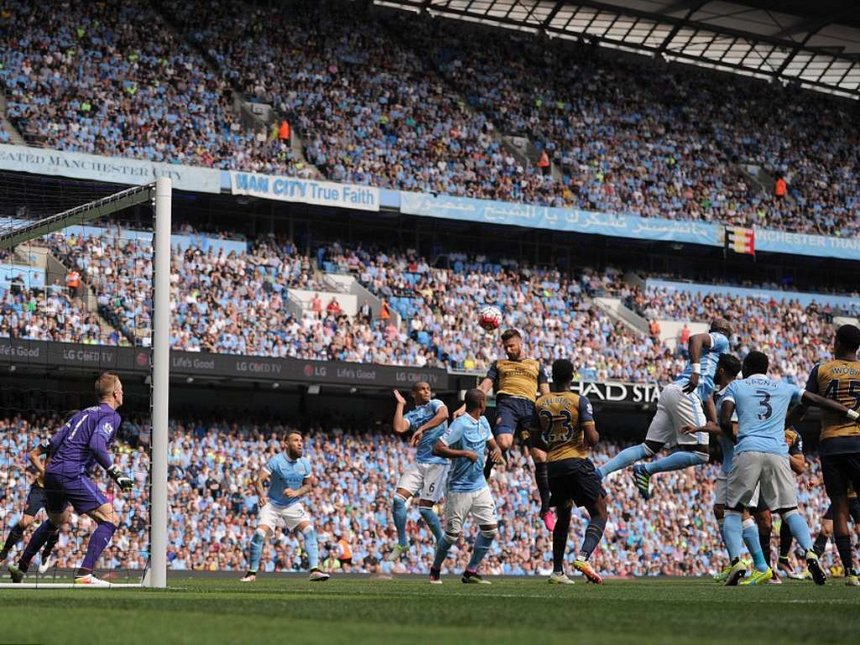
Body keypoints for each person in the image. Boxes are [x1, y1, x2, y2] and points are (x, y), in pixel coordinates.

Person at [718, 351, 859, 586]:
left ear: (745, 367)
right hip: (778, 452)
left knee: (733, 509)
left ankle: (736, 562)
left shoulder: (736, 387)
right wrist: (850, 412)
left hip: (748, 449)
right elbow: (816, 400)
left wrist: (742, 439)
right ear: (767, 367)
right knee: (789, 510)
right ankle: (810, 552)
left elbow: (724, 420)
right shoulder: (784, 387)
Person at [8, 373, 133, 586]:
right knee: (111, 519)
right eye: (121, 388)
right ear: (115, 393)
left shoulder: (81, 414)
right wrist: (115, 471)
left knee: (56, 521)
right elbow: (96, 444)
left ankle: (22, 565)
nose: (122, 392)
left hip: (53, 473)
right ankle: (85, 574)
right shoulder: (111, 416)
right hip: (71, 472)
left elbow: (54, 442)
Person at [599, 318, 733, 499]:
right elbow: (694, 338)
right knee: (701, 454)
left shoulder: (709, 361)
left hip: (672, 391)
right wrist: (695, 371)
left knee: (648, 447)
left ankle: (599, 473)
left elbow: (707, 396)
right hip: (686, 392)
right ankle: (646, 470)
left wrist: (714, 424)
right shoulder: (721, 340)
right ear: (723, 331)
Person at [683, 354, 770, 584]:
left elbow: (735, 429)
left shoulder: (737, 392)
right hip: (730, 462)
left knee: (738, 512)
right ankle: (736, 563)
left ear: (720, 370)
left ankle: (761, 566)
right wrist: (701, 425)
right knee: (721, 510)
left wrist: (706, 428)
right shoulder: (724, 393)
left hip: (741, 461)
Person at [456, 329, 553, 529]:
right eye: (506, 347)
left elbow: (545, 394)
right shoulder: (499, 364)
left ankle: (546, 508)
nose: (508, 350)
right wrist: (465, 406)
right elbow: (483, 388)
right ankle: (484, 475)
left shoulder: (536, 365)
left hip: (529, 408)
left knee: (541, 457)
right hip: (507, 404)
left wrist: (550, 414)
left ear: (520, 343)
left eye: (512, 346)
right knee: (503, 443)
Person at [786, 323, 860, 585]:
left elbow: (804, 407)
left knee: (839, 508)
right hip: (858, 442)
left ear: (838, 342)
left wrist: (782, 425)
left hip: (831, 444)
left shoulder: (822, 369)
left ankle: (851, 573)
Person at [536, 359, 606, 585]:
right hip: (576, 462)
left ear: (552, 377)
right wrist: (590, 435)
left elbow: (531, 434)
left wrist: (550, 445)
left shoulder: (540, 402)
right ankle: (583, 557)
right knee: (600, 511)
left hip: (553, 466)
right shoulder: (578, 400)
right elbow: (593, 439)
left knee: (563, 516)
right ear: (572, 376)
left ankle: (557, 571)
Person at [430, 389, 503, 584]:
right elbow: (437, 447)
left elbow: (493, 445)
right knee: (452, 536)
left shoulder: (484, 422)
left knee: (490, 530)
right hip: (459, 488)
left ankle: (471, 571)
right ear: (481, 404)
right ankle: (435, 569)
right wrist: (464, 453)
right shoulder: (461, 424)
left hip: (479, 485)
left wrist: (496, 451)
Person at [240, 430, 329, 582]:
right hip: (272, 503)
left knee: (309, 530)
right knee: (259, 534)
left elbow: (308, 486)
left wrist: (296, 492)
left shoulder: (305, 463)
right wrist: (261, 495)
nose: (300, 443)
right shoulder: (276, 461)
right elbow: (259, 480)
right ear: (286, 443)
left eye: (301, 440)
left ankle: (314, 570)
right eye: (295, 440)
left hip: (292, 504)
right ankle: (251, 573)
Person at [390, 383, 449, 560]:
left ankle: (441, 541)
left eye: (429, 388)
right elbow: (399, 427)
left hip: (437, 463)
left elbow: (444, 415)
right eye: (422, 389)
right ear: (414, 393)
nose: (427, 391)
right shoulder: (413, 414)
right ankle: (402, 543)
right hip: (419, 462)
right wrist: (400, 404)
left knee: (424, 509)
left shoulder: (435, 404)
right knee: (397, 501)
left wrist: (421, 429)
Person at [0, 431, 61, 572]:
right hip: (39, 488)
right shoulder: (54, 442)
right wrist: (43, 472)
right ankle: (4, 552)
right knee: (24, 522)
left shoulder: (76, 449)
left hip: (57, 491)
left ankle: (46, 554)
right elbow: (32, 455)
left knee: (55, 525)